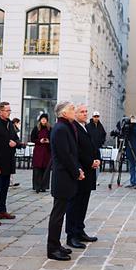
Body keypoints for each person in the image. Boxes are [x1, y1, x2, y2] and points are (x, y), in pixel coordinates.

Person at [47, 101, 85, 261]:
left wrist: (78, 169)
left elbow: (72, 153)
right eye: (71, 108)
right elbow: (65, 155)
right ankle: (52, 248)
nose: (74, 110)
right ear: (63, 113)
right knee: (57, 214)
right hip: (62, 176)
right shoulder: (60, 128)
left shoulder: (66, 126)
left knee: (60, 213)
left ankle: (57, 244)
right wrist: (76, 171)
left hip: (67, 175)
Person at [0, 102, 24, 226]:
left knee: (5, 189)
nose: (9, 112)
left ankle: (2, 211)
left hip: (8, 162)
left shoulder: (10, 125)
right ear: (0, 112)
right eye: (7, 110)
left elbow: (15, 139)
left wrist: (16, 144)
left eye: (10, 110)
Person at [66, 104, 100, 249]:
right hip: (80, 171)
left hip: (90, 171)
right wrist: (89, 161)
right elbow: (76, 151)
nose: (85, 114)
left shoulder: (87, 126)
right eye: (82, 112)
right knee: (74, 204)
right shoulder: (74, 128)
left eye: (87, 111)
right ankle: (71, 235)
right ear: (75, 114)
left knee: (83, 203)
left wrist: (97, 159)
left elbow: (93, 145)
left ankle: (80, 230)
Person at [30, 113, 51, 192]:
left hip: (46, 151)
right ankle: (37, 186)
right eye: (42, 119)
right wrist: (39, 141)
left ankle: (44, 186)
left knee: (45, 169)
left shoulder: (50, 129)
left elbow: (52, 138)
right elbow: (32, 139)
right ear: (40, 120)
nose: (43, 120)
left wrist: (48, 141)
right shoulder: (36, 128)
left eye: (45, 119)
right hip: (38, 151)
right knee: (37, 169)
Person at [124, 116, 136, 189]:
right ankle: (132, 182)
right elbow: (122, 134)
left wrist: (134, 126)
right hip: (129, 150)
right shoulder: (127, 128)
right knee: (131, 167)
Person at [9, 118, 21, 188]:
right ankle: (10, 182)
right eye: (18, 123)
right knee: (9, 166)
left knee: (11, 166)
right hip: (10, 149)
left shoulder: (14, 128)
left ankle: (11, 181)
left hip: (13, 149)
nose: (19, 125)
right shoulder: (12, 128)